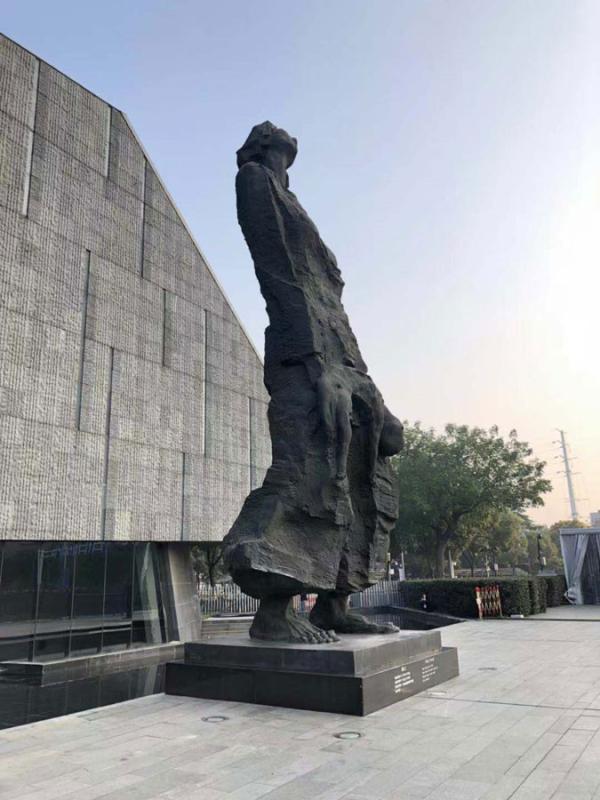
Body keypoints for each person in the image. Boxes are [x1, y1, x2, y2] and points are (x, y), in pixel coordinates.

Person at [223, 123, 404, 643]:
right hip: (303, 352)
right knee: (311, 465)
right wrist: (316, 361)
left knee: (381, 453)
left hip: (344, 353)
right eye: (276, 134)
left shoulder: (293, 199)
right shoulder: (255, 180)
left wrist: (358, 374)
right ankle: (275, 608)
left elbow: (331, 298)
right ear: (265, 144)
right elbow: (279, 272)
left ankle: (334, 602)